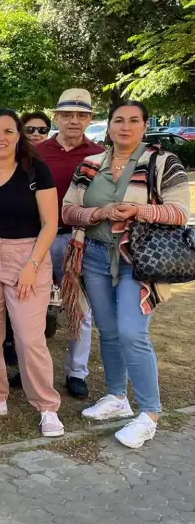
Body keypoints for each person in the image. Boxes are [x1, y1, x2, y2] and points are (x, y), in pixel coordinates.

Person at [62, 100, 190, 449]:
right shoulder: (90, 165)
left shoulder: (163, 163)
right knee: (109, 331)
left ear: (145, 125)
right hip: (96, 256)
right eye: (119, 120)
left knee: (133, 332)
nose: (125, 127)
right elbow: (68, 210)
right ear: (110, 126)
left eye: (134, 120)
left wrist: (139, 210)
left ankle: (149, 414)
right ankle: (118, 397)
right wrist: (97, 212)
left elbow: (180, 211)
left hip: (138, 258)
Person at [0, 109, 65, 438]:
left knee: (29, 336)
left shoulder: (36, 171)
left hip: (26, 256)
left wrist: (32, 266)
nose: (1, 138)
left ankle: (47, 405)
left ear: (19, 136)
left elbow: (50, 223)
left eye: (8, 131)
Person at [30, 89, 106, 399]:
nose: (74, 120)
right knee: (32, 309)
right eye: (67, 115)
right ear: (56, 117)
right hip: (39, 238)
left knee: (79, 309)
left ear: (89, 119)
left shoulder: (100, 154)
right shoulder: (37, 151)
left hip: (78, 239)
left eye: (81, 115)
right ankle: (31, 370)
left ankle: (77, 372)